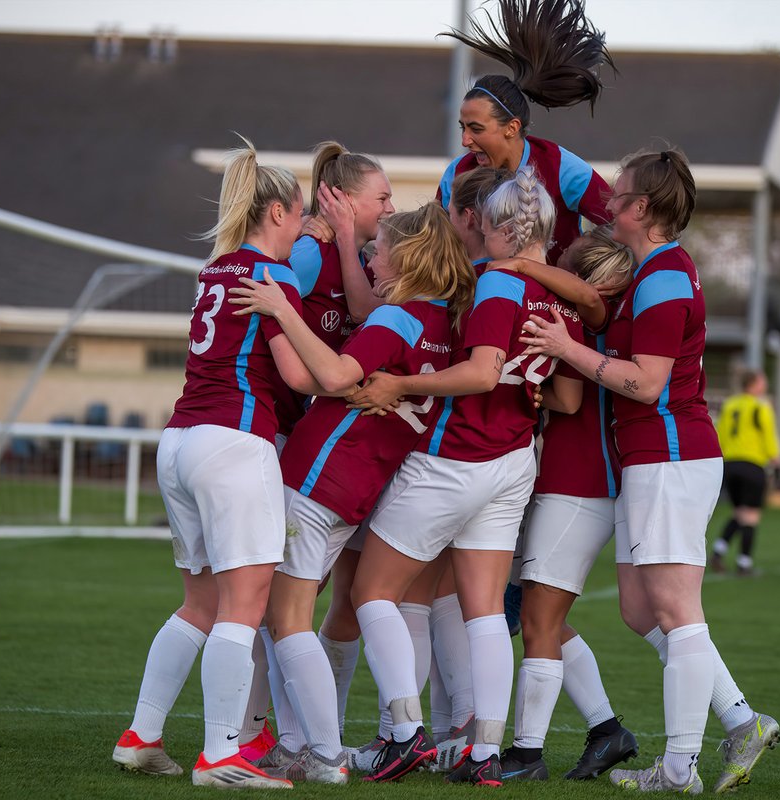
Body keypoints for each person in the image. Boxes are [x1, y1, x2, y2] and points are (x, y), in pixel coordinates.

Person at [518, 149, 780, 793]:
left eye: (620, 192)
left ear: (642, 207)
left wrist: (565, 348)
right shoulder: (654, 271)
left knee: (675, 609)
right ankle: (741, 720)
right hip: (652, 460)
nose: (607, 200)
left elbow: (645, 382)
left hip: (670, 455)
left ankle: (680, 767)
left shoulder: (663, 274)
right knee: (640, 610)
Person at [345, 167, 583, 786]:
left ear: (498, 225)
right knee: (482, 612)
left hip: (457, 456)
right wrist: (525, 381)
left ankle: (403, 733)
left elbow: (479, 374)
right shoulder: (555, 296)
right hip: (512, 461)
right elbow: (568, 399)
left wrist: (401, 382)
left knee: (372, 593)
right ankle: (485, 753)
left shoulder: (497, 285)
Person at [229, 202, 476, 784]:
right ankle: (303, 744)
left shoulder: (398, 319)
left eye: (379, 248)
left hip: (318, 474)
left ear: (409, 256)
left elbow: (338, 377)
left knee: (284, 618)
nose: (371, 257)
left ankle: (321, 752)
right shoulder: (441, 325)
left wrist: (282, 309)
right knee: (292, 615)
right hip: (356, 485)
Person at [111, 139, 309, 790]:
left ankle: (142, 735)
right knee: (244, 604)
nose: (304, 227)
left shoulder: (215, 271)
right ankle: (222, 755)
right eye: (300, 214)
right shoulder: (268, 278)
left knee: (199, 601)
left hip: (182, 440)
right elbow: (299, 375)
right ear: (275, 211)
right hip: (234, 440)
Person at [485, 225, 640, 781]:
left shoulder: (588, 315)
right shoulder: (591, 317)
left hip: (581, 482)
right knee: (541, 615)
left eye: (566, 267)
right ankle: (605, 730)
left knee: (538, 619)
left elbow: (570, 399)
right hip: (576, 480)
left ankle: (527, 754)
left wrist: (516, 266)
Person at [438, 0, 613, 263]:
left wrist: (575, 257)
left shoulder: (561, 167)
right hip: (480, 299)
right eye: (463, 128)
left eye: (476, 129)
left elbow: (621, 225)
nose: (465, 140)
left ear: (512, 127)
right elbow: (434, 243)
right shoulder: (457, 173)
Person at [711, 369, 780, 576]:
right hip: (752, 464)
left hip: (730, 464)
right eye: (763, 380)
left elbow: (720, 434)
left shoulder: (731, 404)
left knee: (740, 512)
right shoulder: (761, 405)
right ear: (755, 384)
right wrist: (776, 460)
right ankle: (744, 563)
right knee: (751, 516)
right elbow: (769, 435)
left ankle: (718, 551)